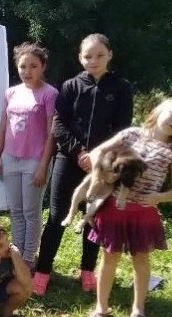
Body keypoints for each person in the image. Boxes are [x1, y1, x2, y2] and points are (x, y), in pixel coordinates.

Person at [33, 33, 134, 295]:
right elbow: (59, 125)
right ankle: (43, 270)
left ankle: (87, 270)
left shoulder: (121, 88)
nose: (93, 61)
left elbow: (122, 129)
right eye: (88, 56)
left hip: (103, 165)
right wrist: (79, 152)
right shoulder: (70, 86)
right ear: (80, 58)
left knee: (94, 216)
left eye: (99, 55)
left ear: (110, 55)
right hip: (68, 160)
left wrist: (98, 156)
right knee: (56, 217)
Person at [86, 97, 172, 317]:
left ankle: (138, 310)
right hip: (114, 209)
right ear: (159, 110)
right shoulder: (131, 135)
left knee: (141, 260)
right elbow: (97, 153)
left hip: (143, 214)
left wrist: (158, 198)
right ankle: (101, 308)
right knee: (109, 258)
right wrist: (102, 175)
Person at [0, 42, 58, 270]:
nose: (27, 71)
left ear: (43, 67)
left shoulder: (49, 94)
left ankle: (29, 258)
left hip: (35, 161)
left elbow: (51, 133)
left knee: (31, 212)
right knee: (16, 211)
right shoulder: (11, 93)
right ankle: (16, 254)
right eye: (23, 66)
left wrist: (43, 166)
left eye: (33, 66)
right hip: (10, 158)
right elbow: (3, 127)